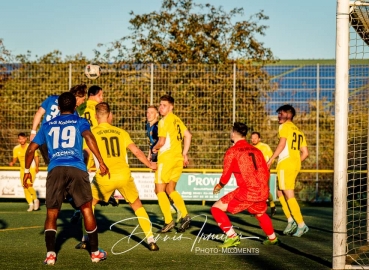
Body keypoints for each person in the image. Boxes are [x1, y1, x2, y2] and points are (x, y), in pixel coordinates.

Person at [22, 92, 110, 265]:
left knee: (52, 212)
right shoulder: (80, 121)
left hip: (55, 169)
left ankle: (50, 255)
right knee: (86, 209)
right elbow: (89, 137)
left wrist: (26, 171)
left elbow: (31, 149)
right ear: (75, 106)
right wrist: (100, 161)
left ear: (59, 107)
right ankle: (95, 254)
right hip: (77, 167)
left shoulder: (47, 125)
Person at [77, 102, 159, 251]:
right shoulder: (121, 132)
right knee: (137, 206)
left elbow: (86, 154)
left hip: (104, 177)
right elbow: (136, 151)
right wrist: (150, 164)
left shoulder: (90, 132)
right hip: (123, 176)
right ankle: (151, 240)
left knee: (89, 205)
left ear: (95, 116)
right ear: (110, 115)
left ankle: (85, 239)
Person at [211, 122, 280, 247]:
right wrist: (265, 188)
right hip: (262, 189)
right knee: (259, 213)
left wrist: (220, 185)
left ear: (233, 133)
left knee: (216, 208)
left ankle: (232, 237)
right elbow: (265, 170)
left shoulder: (233, 151)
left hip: (248, 191)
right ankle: (273, 238)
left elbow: (226, 175)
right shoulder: (257, 151)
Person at [267, 104, 309, 237]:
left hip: (286, 164)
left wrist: (272, 158)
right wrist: (295, 161)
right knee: (280, 192)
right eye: (278, 113)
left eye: (281, 113)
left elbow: (282, 144)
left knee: (288, 194)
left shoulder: (284, 127)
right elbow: (305, 153)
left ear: (289, 115)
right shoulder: (299, 131)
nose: (279, 115)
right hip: (294, 164)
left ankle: (301, 224)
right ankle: (291, 221)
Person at [152, 94, 192, 233]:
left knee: (159, 190)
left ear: (171, 107)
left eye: (164, 105)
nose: (161, 108)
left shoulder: (164, 121)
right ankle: (185, 215)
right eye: (160, 105)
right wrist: (184, 153)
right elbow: (188, 135)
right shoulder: (177, 120)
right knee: (170, 190)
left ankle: (168, 221)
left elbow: (161, 142)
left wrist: (154, 149)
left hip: (167, 159)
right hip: (178, 159)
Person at [30, 84, 87, 164]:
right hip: (56, 142)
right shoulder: (72, 111)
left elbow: (39, 113)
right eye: (83, 99)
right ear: (77, 98)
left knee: (52, 167)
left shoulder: (51, 99)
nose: (83, 102)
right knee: (61, 166)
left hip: (44, 138)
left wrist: (33, 131)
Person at [146, 105, 180, 220]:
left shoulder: (157, 127)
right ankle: (173, 208)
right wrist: (150, 155)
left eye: (151, 112)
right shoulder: (148, 126)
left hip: (164, 159)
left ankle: (174, 209)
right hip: (159, 158)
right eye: (147, 112)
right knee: (161, 189)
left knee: (160, 189)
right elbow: (152, 144)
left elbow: (162, 143)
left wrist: (156, 157)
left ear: (157, 115)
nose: (148, 114)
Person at [9, 132, 40, 212]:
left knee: (28, 185)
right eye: (20, 139)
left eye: (23, 138)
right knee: (24, 187)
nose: (21, 140)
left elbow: (36, 157)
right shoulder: (16, 148)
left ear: (26, 138)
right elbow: (15, 158)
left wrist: (37, 166)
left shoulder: (30, 147)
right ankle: (30, 204)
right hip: (22, 170)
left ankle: (36, 200)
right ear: (18, 140)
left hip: (31, 169)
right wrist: (12, 162)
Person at [250, 131, 277, 217]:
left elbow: (272, 158)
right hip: (253, 173)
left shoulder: (265, 147)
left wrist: (267, 166)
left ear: (259, 139)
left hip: (264, 172)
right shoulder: (249, 148)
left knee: (264, 191)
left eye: (255, 138)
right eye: (252, 138)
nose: (253, 139)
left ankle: (271, 205)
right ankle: (257, 209)